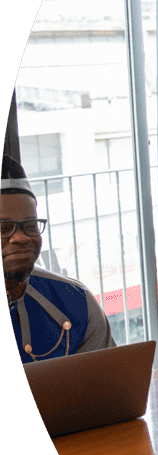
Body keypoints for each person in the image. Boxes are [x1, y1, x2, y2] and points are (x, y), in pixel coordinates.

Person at [3, 154, 115, 362]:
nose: (21, 237)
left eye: (30, 225)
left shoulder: (76, 302)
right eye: (3, 228)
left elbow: (109, 388)